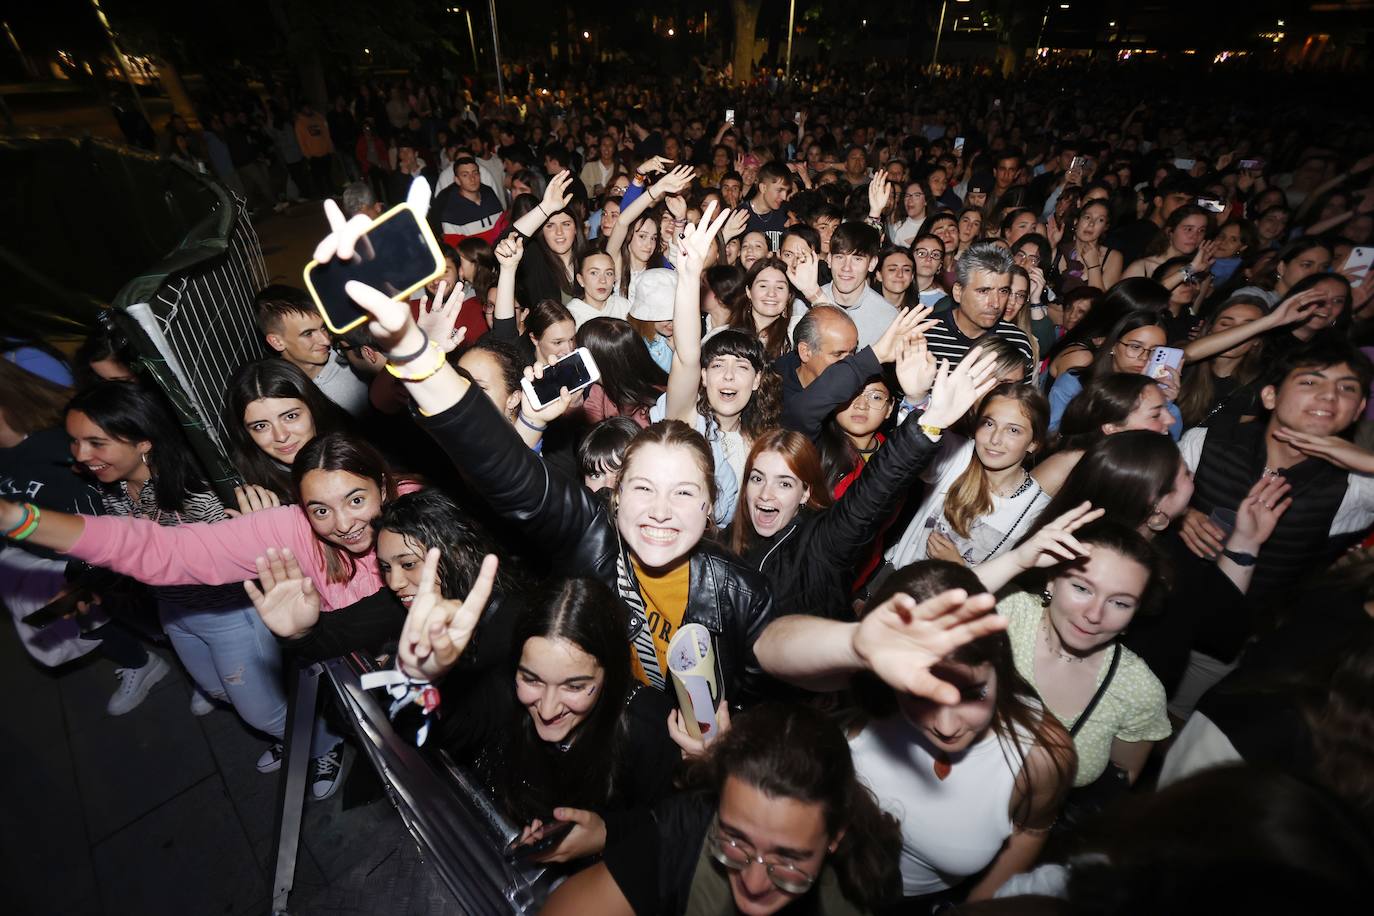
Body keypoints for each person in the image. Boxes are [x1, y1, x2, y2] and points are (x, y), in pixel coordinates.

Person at [321, 201, 775, 707]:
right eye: (642, 488)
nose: (662, 510)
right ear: (616, 496)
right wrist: (413, 356)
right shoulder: (591, 539)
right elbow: (511, 473)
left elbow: (775, 665)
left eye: (684, 492)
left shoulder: (741, 592)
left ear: (711, 503)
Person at [62, 383, 344, 793]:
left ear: (143, 442)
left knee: (260, 711)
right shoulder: (118, 488)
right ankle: (291, 737)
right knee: (214, 690)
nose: (81, 455)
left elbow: (237, 557)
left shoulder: (197, 490)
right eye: (75, 442)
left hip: (231, 613)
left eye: (95, 442)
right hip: (175, 612)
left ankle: (324, 743)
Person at [754, 563, 1073, 907]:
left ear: (1000, 667)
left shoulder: (1042, 754)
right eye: (921, 696)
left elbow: (1032, 831)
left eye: (973, 693)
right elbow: (768, 649)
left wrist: (974, 909)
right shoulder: (883, 680)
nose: (947, 727)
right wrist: (855, 644)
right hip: (805, 872)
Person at [542, 704, 906, 916]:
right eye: (735, 843)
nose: (753, 883)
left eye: (788, 861)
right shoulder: (688, 830)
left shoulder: (867, 889)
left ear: (835, 836)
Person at [731, 350, 999, 621]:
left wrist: (929, 420)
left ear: (806, 492)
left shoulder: (817, 544)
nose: (766, 493)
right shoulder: (815, 447)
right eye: (757, 478)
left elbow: (869, 503)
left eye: (785, 483)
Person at [971, 518, 1173, 788]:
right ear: (1052, 581)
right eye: (1081, 588)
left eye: (1120, 603)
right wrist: (1017, 561)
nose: (1094, 615)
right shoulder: (1006, 612)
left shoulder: (1138, 691)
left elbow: (1116, 788)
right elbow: (923, 610)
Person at [886, 383, 1051, 571]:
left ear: (1034, 443)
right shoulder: (958, 455)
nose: (995, 439)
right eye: (989, 424)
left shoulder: (1037, 509)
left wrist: (959, 567)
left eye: (1013, 430)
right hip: (894, 583)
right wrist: (917, 397)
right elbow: (916, 439)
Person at [224, 359, 351, 503]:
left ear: (313, 408)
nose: (281, 436)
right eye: (261, 426)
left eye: (290, 416)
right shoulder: (252, 494)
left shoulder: (354, 443)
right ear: (245, 433)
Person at [1047, 310, 1181, 438]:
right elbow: (1051, 434)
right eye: (1135, 347)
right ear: (1113, 345)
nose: (1144, 357)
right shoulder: (1075, 383)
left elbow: (1168, 445)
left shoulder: (1162, 403)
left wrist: (1163, 404)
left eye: (1156, 352)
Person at [254, 285, 370, 415]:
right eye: (308, 333)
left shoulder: (352, 358)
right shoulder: (279, 394)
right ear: (277, 342)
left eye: (323, 328)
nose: (326, 341)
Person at [923, 242, 1034, 369]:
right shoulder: (924, 335)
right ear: (958, 292)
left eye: (1003, 291)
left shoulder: (1017, 343)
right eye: (984, 291)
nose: (996, 303)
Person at [821, 223, 899, 348]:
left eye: (857, 259)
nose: (846, 267)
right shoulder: (806, 304)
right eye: (840, 257)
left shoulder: (888, 317)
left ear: (872, 263)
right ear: (829, 259)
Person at [566, 250, 631, 328]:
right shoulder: (571, 315)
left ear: (614, 278)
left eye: (608, 273)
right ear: (580, 279)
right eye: (594, 273)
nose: (603, 280)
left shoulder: (623, 306)